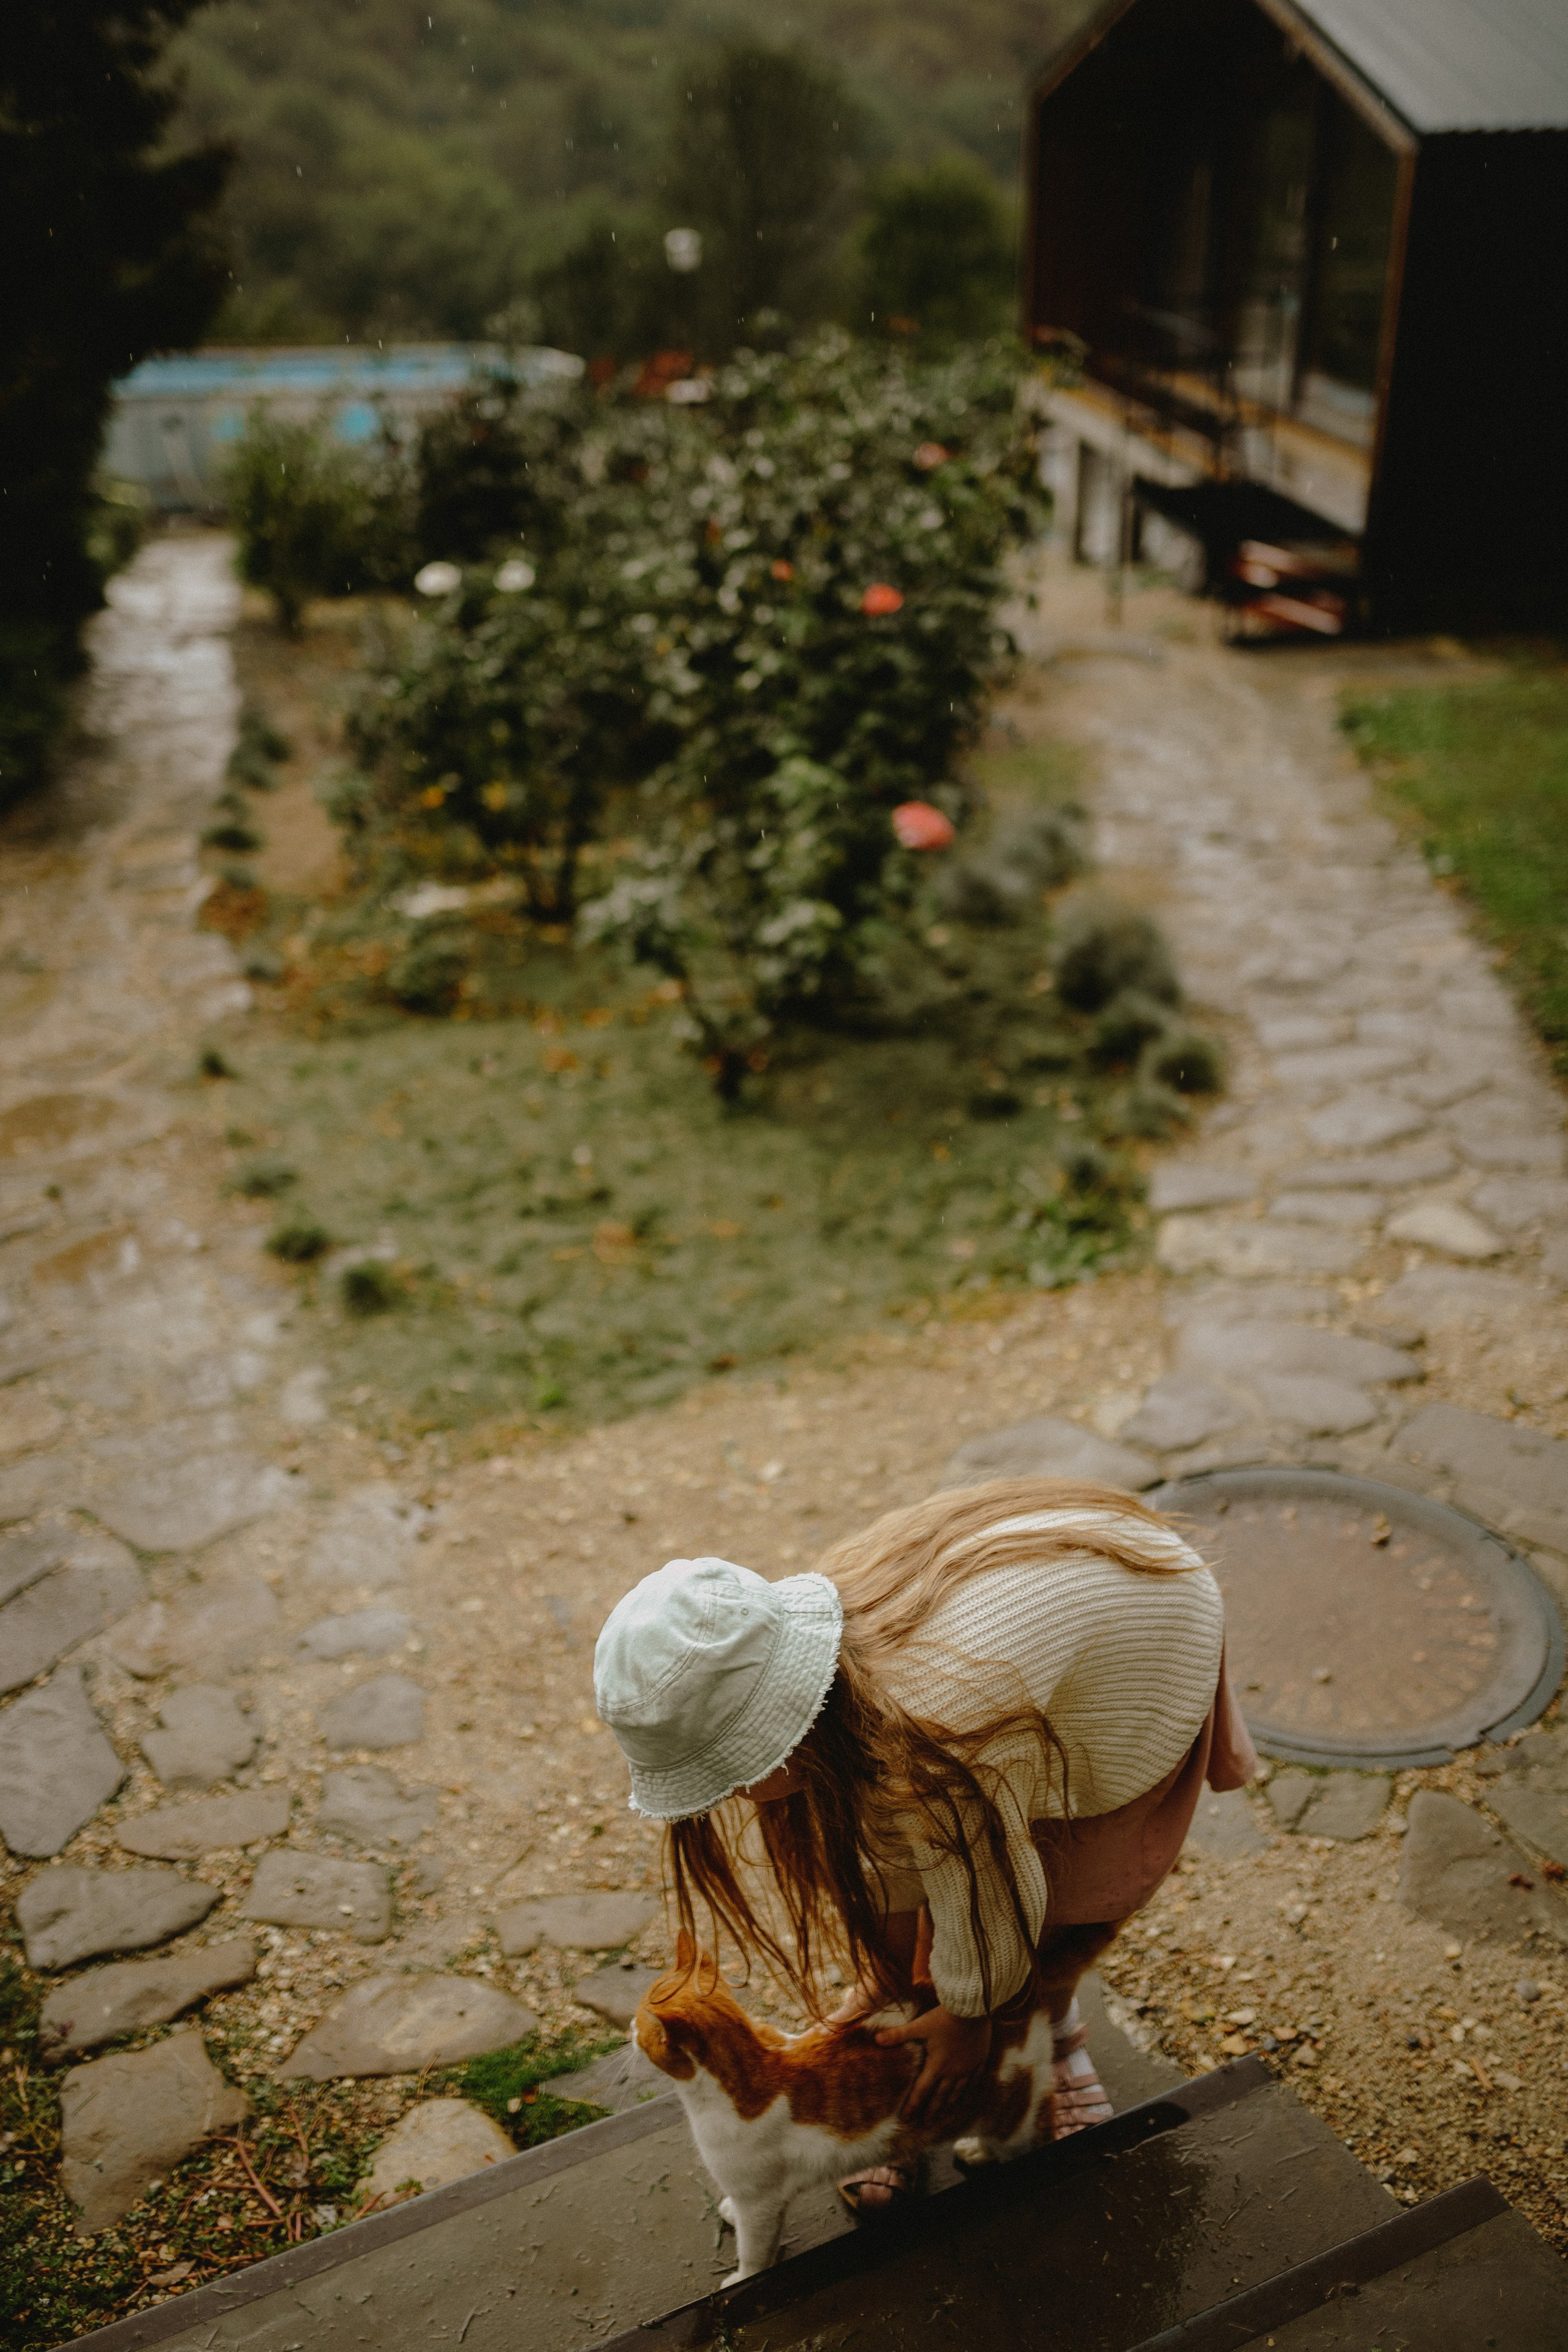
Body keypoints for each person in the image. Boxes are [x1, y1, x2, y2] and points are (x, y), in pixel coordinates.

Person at [593, 1477, 1256, 2207]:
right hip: (1023, 1643)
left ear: (782, 1736)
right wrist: (901, 1971)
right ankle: (904, 2000)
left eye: (726, 1776)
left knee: (1063, 1901)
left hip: (1139, 1646)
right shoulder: (818, 1679)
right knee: (912, 1843)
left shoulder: (933, 1731)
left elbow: (993, 1885)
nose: (723, 1798)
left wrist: (971, 2016)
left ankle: (1047, 2032)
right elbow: (912, 1855)